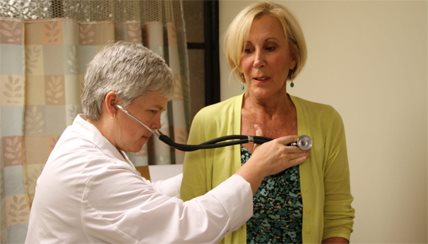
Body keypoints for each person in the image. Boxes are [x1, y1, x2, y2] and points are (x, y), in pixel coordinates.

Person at [25, 41, 310, 243]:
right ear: (113, 103)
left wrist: (211, 170)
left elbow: (144, 196)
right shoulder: (89, 171)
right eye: (152, 111)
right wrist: (254, 168)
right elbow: (186, 227)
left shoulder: (87, 143)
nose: (157, 125)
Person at [180, 1, 355, 243]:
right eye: (247, 50)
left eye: (270, 47)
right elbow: (191, 217)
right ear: (238, 61)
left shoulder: (326, 122)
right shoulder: (208, 122)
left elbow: (337, 216)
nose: (258, 60)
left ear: (293, 57)